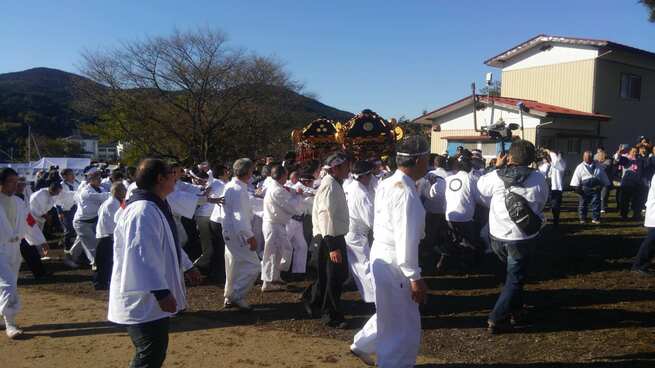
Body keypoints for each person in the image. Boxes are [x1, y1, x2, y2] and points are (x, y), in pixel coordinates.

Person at [108, 158, 201, 368]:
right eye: (172, 175)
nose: (176, 179)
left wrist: (188, 265)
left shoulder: (154, 205)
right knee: (149, 353)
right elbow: (141, 255)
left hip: (151, 295)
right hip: (144, 295)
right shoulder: (142, 210)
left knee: (154, 351)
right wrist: (161, 292)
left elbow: (168, 244)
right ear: (160, 178)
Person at [350, 136, 430, 367]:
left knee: (389, 313)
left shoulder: (386, 182)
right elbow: (406, 236)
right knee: (403, 325)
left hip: (381, 253)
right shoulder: (405, 192)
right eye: (425, 158)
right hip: (396, 259)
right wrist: (414, 276)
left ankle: (364, 344)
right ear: (419, 160)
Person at [477, 140, 549, 333]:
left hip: (497, 235)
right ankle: (496, 317)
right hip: (522, 236)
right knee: (515, 278)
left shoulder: (496, 176)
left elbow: (481, 189)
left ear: (509, 157)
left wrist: (496, 167)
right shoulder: (538, 177)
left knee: (512, 276)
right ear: (531, 159)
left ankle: (516, 311)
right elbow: (542, 202)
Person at [302, 152, 351, 328]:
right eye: (346, 166)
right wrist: (332, 246)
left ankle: (314, 301)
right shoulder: (330, 185)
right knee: (333, 278)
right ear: (336, 168)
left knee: (331, 276)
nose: (348, 169)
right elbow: (325, 216)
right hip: (329, 237)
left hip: (332, 236)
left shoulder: (334, 183)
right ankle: (331, 315)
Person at [222, 158, 260, 311]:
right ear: (249, 172)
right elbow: (239, 216)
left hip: (230, 231)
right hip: (238, 233)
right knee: (253, 265)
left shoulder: (231, 186)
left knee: (233, 265)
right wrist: (249, 236)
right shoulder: (237, 190)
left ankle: (229, 294)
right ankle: (236, 295)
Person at [261, 165, 304, 291]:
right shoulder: (277, 190)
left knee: (284, 250)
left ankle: (275, 276)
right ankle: (267, 282)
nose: (287, 177)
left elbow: (287, 191)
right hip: (273, 225)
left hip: (277, 224)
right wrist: (298, 196)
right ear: (281, 176)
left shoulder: (277, 187)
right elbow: (293, 207)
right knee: (271, 253)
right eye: (286, 175)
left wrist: (295, 192)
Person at [0, 168, 29, 339]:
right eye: (11, 181)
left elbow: (29, 221)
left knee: (10, 283)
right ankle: (10, 324)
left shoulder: (19, 202)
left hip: (15, 248)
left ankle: (4, 318)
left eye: (16, 181)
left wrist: (39, 241)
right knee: (8, 285)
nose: (15, 185)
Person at [344, 160, 376, 303]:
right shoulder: (361, 194)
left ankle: (371, 297)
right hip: (356, 234)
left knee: (360, 267)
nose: (371, 177)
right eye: (369, 174)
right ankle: (375, 299)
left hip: (353, 231)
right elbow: (371, 220)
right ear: (364, 176)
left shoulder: (352, 186)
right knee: (365, 267)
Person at [71, 170, 111, 267]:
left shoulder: (101, 189)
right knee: (92, 244)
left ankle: (70, 257)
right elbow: (101, 198)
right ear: (90, 180)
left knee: (80, 243)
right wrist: (113, 193)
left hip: (93, 220)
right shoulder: (86, 191)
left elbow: (106, 197)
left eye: (99, 178)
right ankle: (96, 263)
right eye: (97, 178)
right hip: (82, 222)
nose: (99, 180)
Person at [94, 182, 127, 290]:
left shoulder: (110, 202)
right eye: (124, 190)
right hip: (107, 236)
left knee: (105, 261)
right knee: (105, 262)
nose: (125, 192)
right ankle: (101, 283)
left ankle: (103, 282)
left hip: (105, 235)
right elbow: (116, 222)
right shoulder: (113, 204)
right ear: (118, 192)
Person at [570, 151, 610, 224]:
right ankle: (582, 219)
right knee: (583, 204)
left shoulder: (598, 166)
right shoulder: (580, 167)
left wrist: (606, 183)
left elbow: (603, 176)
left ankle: (595, 218)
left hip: (596, 188)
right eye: (585, 157)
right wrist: (576, 187)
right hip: (584, 189)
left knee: (596, 204)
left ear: (592, 157)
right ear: (583, 157)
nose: (586, 158)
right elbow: (576, 178)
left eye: (588, 157)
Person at [615, 146, 645, 220]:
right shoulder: (626, 159)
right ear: (629, 152)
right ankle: (624, 215)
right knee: (625, 200)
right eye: (633, 151)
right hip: (627, 184)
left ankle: (636, 214)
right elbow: (617, 158)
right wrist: (619, 151)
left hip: (637, 184)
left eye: (636, 152)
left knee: (636, 201)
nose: (634, 153)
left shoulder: (640, 160)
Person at [57, 168, 80, 255]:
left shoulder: (77, 183)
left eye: (73, 174)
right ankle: (66, 248)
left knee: (75, 229)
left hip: (76, 209)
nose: (73, 176)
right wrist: (59, 212)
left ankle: (71, 245)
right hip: (66, 210)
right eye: (70, 174)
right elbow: (57, 200)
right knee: (69, 229)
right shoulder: (61, 186)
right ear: (64, 176)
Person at [544, 148, 566, 227]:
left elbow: (555, 160)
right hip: (550, 187)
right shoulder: (553, 164)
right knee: (552, 204)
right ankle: (554, 219)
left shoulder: (561, 163)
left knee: (555, 205)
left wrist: (549, 152)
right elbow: (548, 174)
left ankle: (555, 221)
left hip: (557, 188)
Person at [594, 148, 614, 214]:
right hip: (597, 180)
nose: (599, 156)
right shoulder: (595, 162)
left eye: (601, 154)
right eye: (598, 154)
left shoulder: (608, 161)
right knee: (597, 194)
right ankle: (599, 206)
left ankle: (603, 208)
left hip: (605, 180)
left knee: (604, 195)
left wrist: (598, 164)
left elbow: (604, 168)